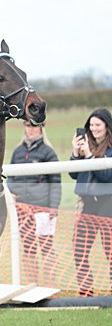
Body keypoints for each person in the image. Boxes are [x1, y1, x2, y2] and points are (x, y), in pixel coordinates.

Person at [8, 121, 61, 286]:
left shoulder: (48, 152)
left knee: (46, 249)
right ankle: (33, 284)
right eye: (27, 126)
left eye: (34, 126)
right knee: (28, 249)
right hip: (23, 209)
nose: (30, 130)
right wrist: (13, 191)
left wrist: (53, 208)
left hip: (43, 210)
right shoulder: (18, 152)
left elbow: (55, 182)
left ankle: (49, 284)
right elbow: (10, 177)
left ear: (41, 128)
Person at [69, 108, 112, 296]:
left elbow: (106, 175)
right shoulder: (86, 145)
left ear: (107, 127)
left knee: (110, 251)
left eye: (98, 125)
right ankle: (86, 292)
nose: (93, 129)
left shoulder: (110, 150)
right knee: (79, 250)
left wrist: (89, 157)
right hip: (87, 204)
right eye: (91, 125)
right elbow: (73, 174)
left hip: (107, 203)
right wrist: (75, 154)